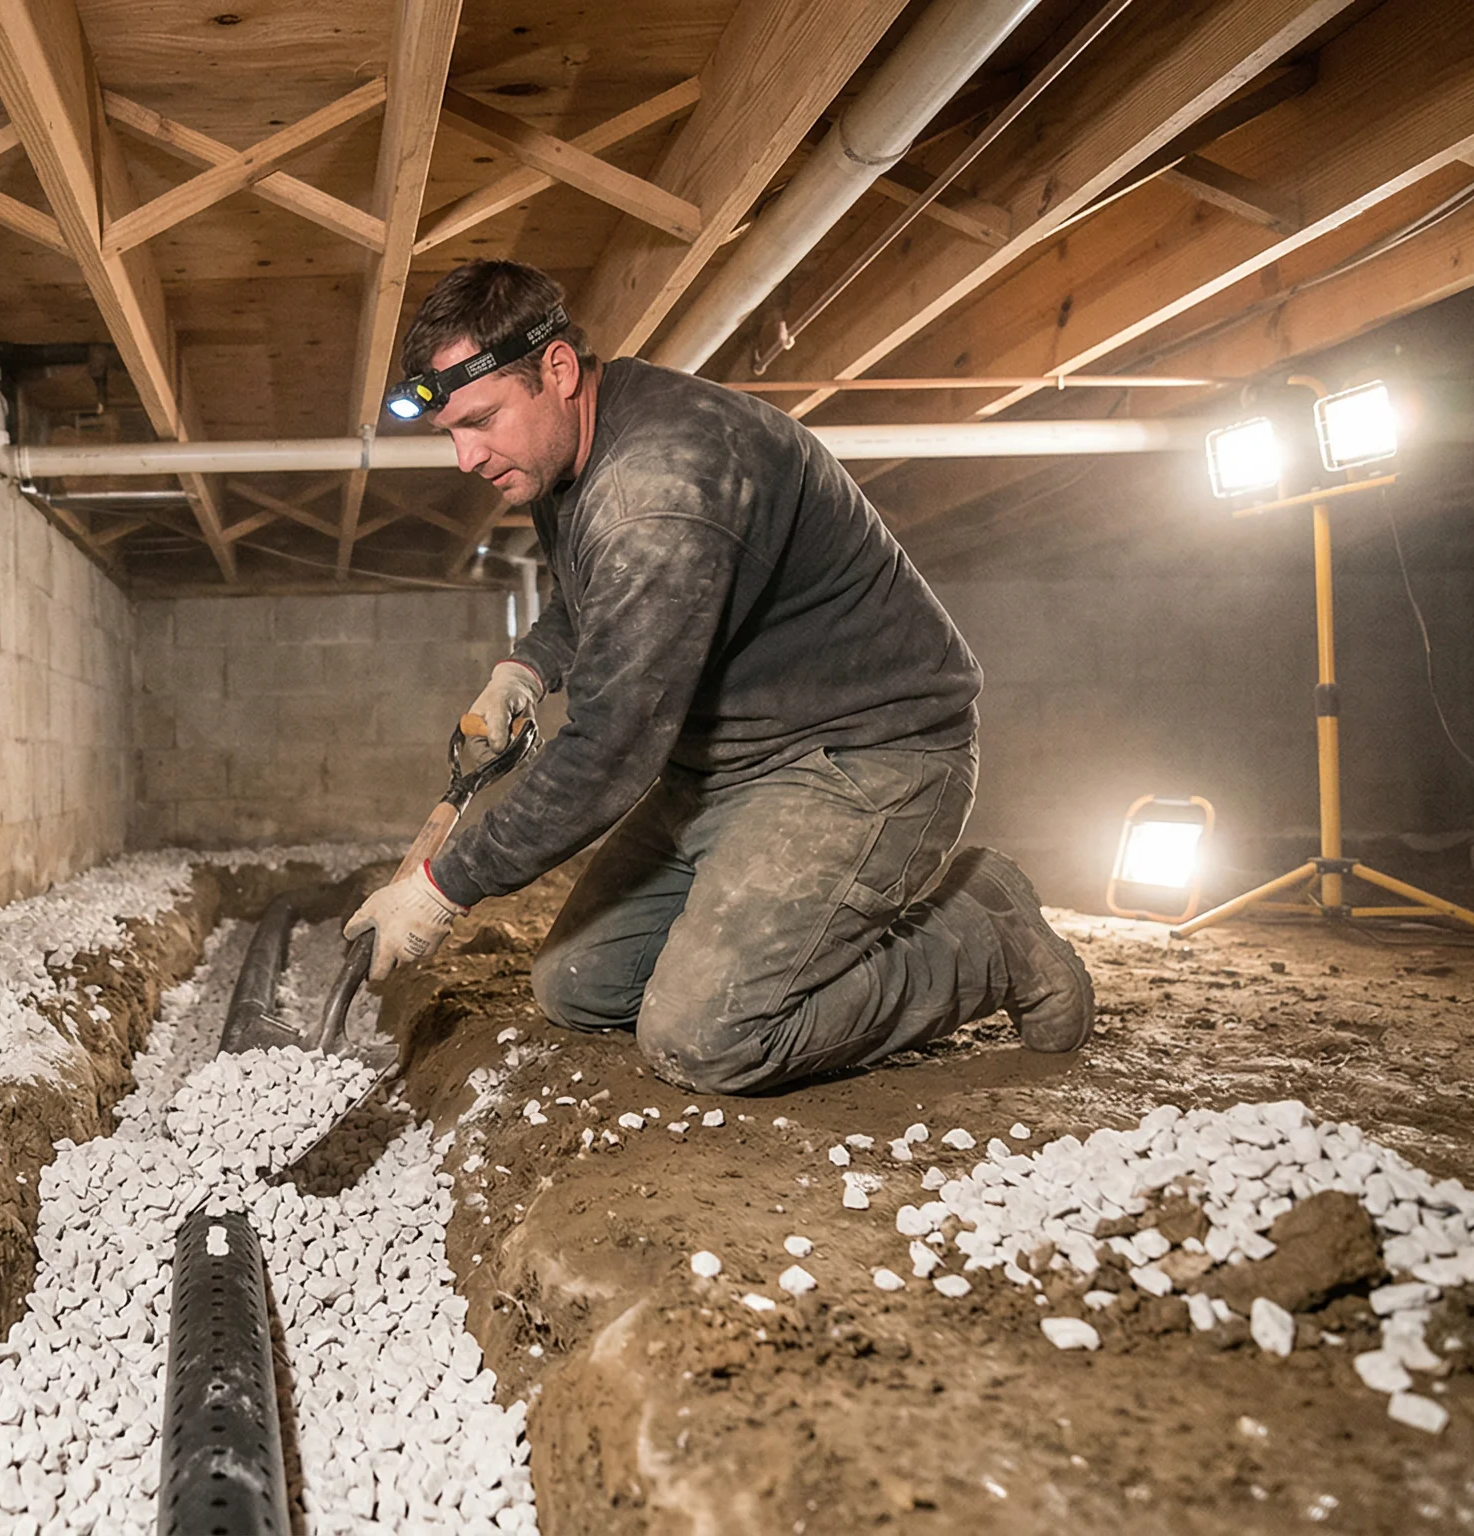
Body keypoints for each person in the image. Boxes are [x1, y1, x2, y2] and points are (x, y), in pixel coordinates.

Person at [342, 260, 1092, 1096]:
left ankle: (985, 939)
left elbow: (607, 752)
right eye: (450, 433)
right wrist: (525, 668)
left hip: (862, 758)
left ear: (555, 370)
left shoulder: (658, 486)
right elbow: (591, 585)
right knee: (580, 987)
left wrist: (443, 890)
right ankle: (775, 929)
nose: (465, 458)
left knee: (704, 1036)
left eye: (479, 422)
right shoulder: (579, 444)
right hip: (725, 766)